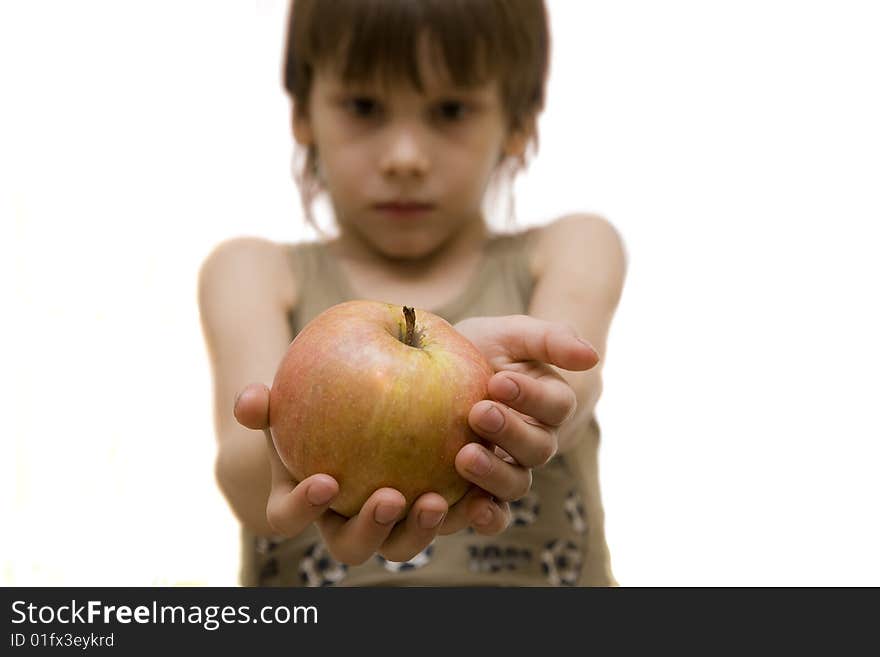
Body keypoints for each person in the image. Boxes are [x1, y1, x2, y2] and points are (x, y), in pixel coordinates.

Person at [198, 0, 627, 587]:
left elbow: (574, 382)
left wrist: (513, 396)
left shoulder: (569, 247)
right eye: (363, 107)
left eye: (450, 110)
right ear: (302, 113)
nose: (405, 158)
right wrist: (287, 454)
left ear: (520, 122)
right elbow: (247, 482)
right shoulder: (254, 272)